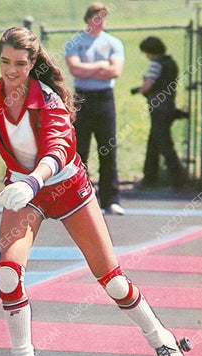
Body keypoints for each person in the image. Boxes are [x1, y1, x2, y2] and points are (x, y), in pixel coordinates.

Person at [0, 26, 199, 356]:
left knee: (113, 280)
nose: (11, 70)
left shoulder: (51, 101)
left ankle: (163, 340)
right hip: (27, 193)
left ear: (33, 62)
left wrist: (31, 183)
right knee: (8, 269)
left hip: (66, 188)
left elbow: (56, 151)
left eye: (20, 64)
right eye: (5, 62)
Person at [64, 2, 125, 215]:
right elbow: (75, 69)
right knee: (80, 150)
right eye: (96, 17)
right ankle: (80, 197)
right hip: (82, 98)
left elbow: (115, 71)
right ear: (88, 19)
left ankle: (111, 199)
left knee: (108, 148)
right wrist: (100, 66)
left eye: (103, 17)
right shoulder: (75, 42)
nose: (100, 22)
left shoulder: (113, 43)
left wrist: (92, 69)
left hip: (105, 98)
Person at [134, 36, 188, 190]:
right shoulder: (170, 63)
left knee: (164, 145)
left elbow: (147, 86)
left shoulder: (155, 64)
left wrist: (140, 89)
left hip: (158, 110)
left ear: (150, 51)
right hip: (169, 107)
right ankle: (150, 178)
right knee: (154, 143)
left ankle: (178, 181)